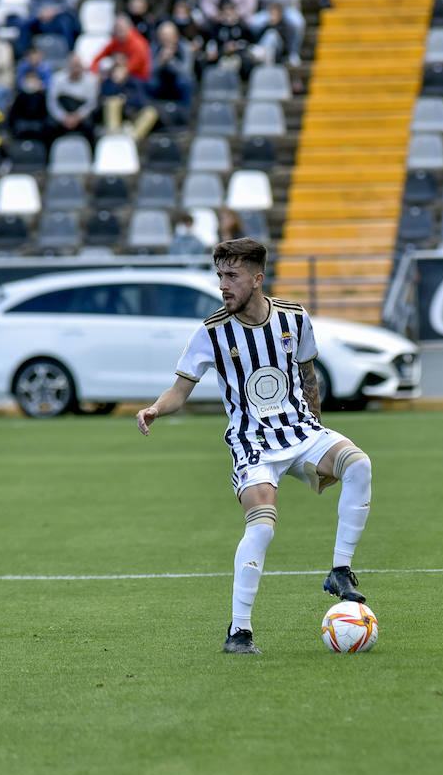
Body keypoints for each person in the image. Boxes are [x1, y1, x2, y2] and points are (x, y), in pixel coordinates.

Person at [135, 239, 373, 654]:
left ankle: (340, 570)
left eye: (232, 276)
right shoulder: (211, 332)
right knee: (262, 524)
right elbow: (180, 390)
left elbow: (308, 376)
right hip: (252, 442)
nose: (223, 286)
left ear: (257, 279)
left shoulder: (295, 318)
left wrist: (318, 437)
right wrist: (156, 409)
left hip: (300, 430)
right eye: (220, 276)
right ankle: (239, 632)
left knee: (358, 463)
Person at [48, 55, 99, 145]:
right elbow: (52, 102)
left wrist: (77, 117)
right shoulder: (57, 79)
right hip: (63, 111)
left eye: (78, 66)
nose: (76, 69)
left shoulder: (91, 80)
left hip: (81, 114)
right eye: (73, 66)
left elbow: (91, 103)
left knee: (91, 127)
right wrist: (63, 117)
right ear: (68, 66)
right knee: (49, 126)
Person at [92, 15, 152, 82]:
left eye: (122, 28)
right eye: (117, 28)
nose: (119, 30)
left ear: (129, 27)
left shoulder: (138, 43)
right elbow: (98, 57)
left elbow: (134, 64)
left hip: (139, 79)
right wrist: (95, 71)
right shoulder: (115, 41)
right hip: (123, 75)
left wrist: (122, 68)